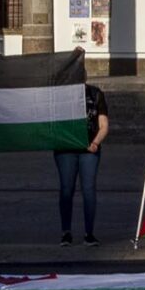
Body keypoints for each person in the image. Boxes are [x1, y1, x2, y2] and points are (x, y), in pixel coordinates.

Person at [54, 81, 109, 244]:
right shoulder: (60, 95)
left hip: (90, 149)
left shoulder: (96, 94)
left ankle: (89, 233)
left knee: (89, 190)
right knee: (66, 189)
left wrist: (95, 143)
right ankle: (66, 232)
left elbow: (104, 125)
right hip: (66, 149)